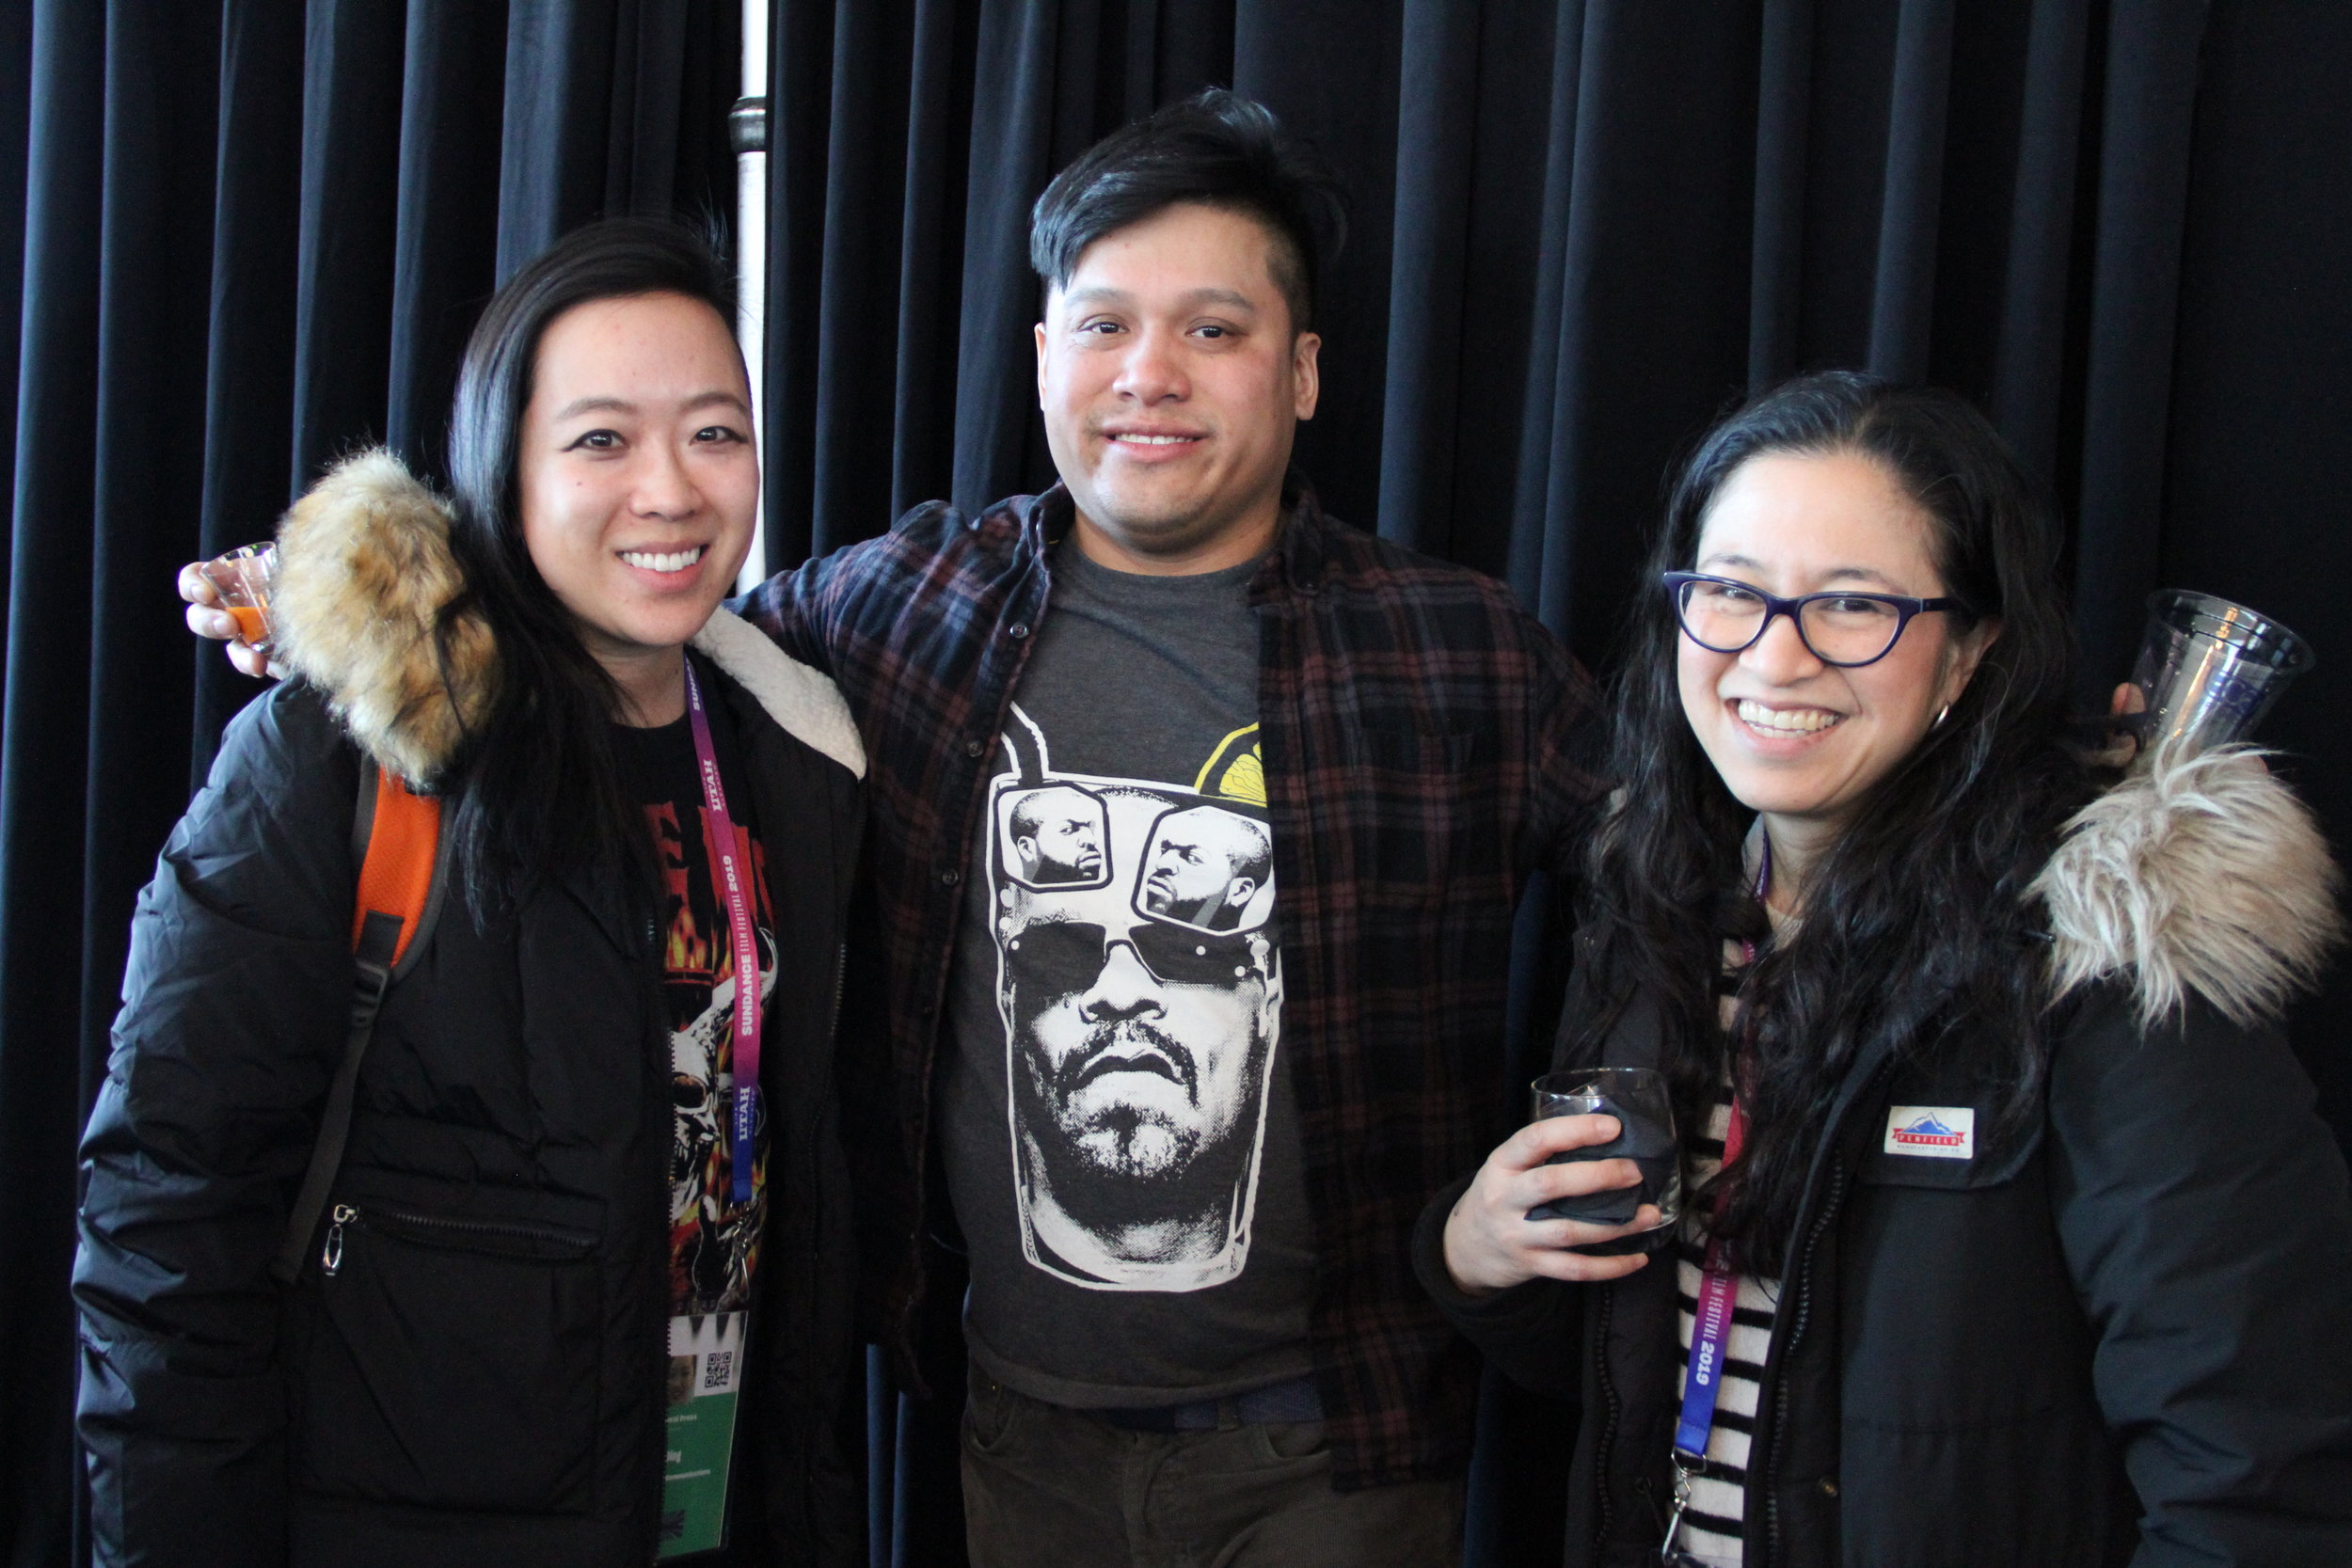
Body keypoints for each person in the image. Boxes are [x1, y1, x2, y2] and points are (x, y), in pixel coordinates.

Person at [188, 92, 1604, 1564]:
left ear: (1303, 372)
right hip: (1004, 1432)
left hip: (1338, 1445)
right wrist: (371, 608)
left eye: (1215, 330)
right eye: (1106, 326)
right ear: (1045, 355)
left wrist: (1529, 1178)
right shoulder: (908, 612)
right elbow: (629, 620)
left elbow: (1674, 856)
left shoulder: (1454, 650)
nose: (1151, 377)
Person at [1419, 372, 2352, 1566]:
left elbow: (2255, 1475)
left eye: (1853, 605)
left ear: (1968, 651)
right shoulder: (1660, 915)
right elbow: (1659, 1368)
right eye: (1731, 593)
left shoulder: (2104, 958)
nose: (1775, 654)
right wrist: (1480, 1255)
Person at [87, 222, 867, 1567]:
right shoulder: (346, 755)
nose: (670, 491)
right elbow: (166, 1211)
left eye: (714, 432)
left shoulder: (792, 751)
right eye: (601, 440)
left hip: (715, 1503)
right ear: (502, 463)